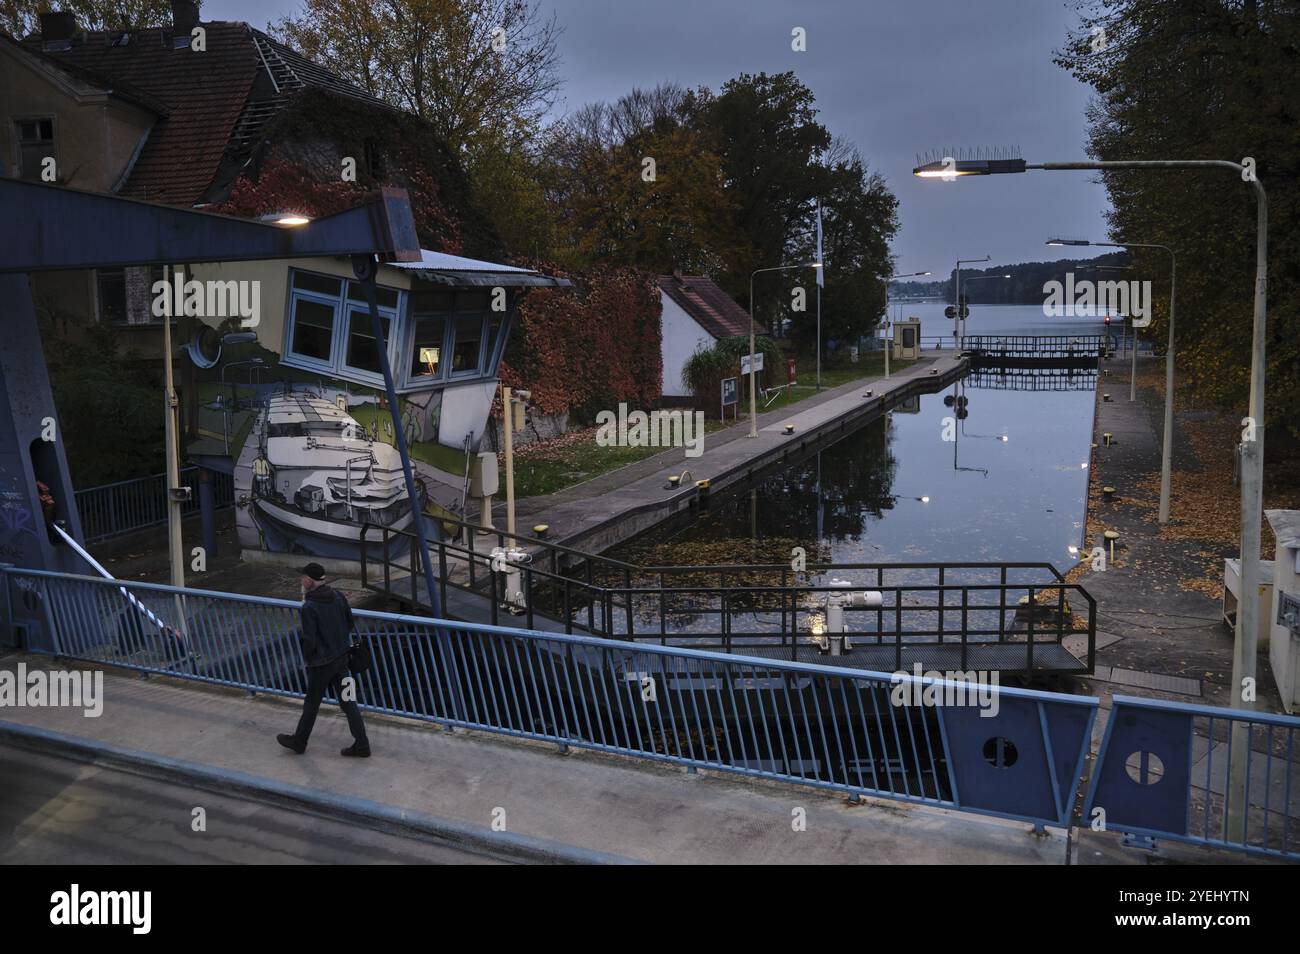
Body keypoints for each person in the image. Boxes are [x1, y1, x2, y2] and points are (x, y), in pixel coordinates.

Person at [277, 563, 370, 757]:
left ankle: (299, 741)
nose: (301, 581)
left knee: (312, 703)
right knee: (348, 701)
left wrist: (308, 656)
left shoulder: (309, 607)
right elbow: (349, 622)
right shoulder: (338, 596)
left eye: (302, 578)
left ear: (309, 581)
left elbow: (310, 639)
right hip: (342, 659)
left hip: (321, 664)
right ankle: (362, 745)